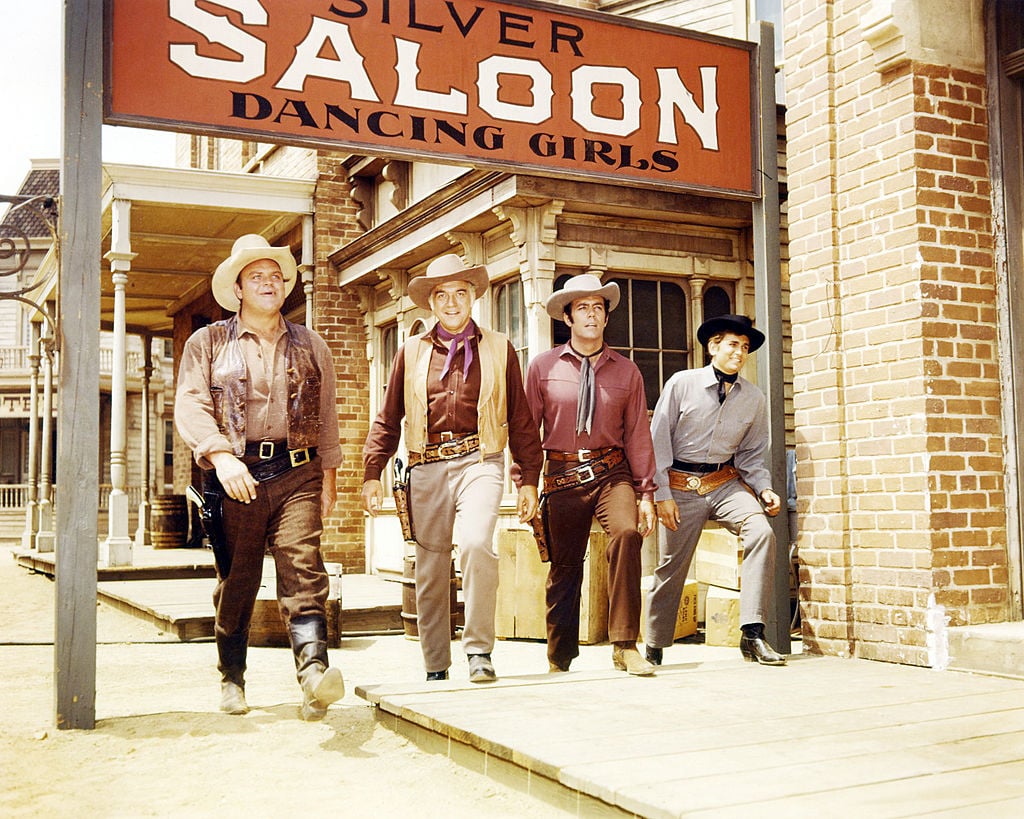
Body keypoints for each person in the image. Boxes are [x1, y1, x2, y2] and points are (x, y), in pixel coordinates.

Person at [175, 233, 347, 719]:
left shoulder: (312, 344)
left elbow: (328, 415)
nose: (269, 283)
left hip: (298, 474)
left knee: (303, 569)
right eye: (258, 277)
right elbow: (190, 404)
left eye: (276, 276)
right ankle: (232, 677)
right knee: (238, 579)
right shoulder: (206, 343)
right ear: (237, 288)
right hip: (236, 477)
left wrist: (328, 480)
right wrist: (221, 457)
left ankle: (315, 677)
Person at [361, 254, 543, 683]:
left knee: (478, 544)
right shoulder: (410, 351)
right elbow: (389, 418)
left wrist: (529, 479)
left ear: (474, 296)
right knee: (430, 564)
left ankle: (479, 651)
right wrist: (373, 472)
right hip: (426, 466)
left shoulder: (499, 348)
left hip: (480, 460)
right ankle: (435, 664)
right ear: (431, 303)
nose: (451, 302)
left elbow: (520, 419)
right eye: (441, 294)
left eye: (460, 292)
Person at [523, 273, 658, 676]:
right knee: (564, 566)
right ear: (567, 317)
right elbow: (528, 430)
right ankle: (559, 657)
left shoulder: (627, 372)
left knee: (627, 534)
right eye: (582, 307)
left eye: (598, 307)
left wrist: (646, 493)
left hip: (611, 471)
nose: (591, 314)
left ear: (605, 317)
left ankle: (625, 645)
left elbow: (637, 433)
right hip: (562, 473)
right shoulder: (542, 367)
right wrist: (525, 483)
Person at [644, 314, 786, 666]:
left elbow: (752, 454)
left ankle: (752, 633)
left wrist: (763, 488)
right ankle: (655, 643)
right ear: (713, 347)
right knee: (671, 566)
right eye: (733, 345)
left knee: (761, 532)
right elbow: (657, 442)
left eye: (745, 347)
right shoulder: (681, 384)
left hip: (724, 484)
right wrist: (661, 494)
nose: (740, 353)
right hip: (679, 485)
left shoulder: (754, 398)